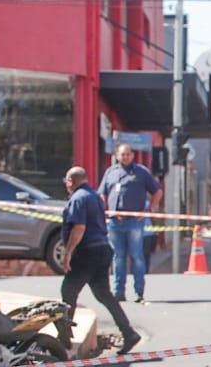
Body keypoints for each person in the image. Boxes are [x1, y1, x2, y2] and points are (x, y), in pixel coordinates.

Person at [61, 167, 141, 355]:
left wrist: (68, 253)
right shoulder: (94, 196)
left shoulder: (78, 198)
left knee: (68, 290)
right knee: (103, 294)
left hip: (87, 251)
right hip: (102, 249)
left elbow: (79, 227)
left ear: (71, 181)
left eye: (66, 181)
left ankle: (63, 338)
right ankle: (128, 332)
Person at [99, 143, 162, 304]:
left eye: (128, 154)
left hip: (134, 222)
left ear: (132, 155)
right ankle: (119, 292)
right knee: (118, 257)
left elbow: (157, 191)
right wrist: (104, 210)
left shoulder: (141, 172)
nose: (125, 157)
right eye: (122, 154)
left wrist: (148, 211)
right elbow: (103, 193)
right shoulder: (110, 172)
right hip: (114, 222)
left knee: (136, 256)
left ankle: (139, 292)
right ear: (117, 155)